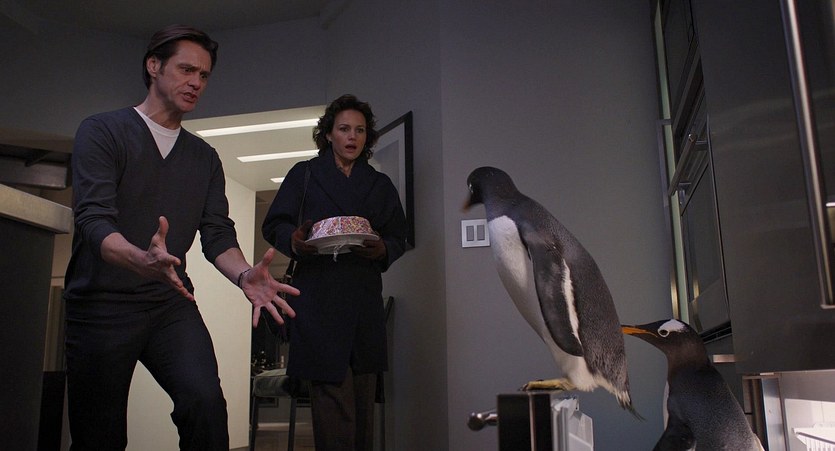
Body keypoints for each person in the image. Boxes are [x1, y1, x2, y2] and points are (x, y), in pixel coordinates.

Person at [63, 25, 299, 451]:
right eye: (187, 70)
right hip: (100, 304)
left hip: (168, 303)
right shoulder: (103, 131)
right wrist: (139, 259)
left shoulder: (204, 157)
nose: (196, 83)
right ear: (154, 66)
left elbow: (217, 233)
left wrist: (244, 274)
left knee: (205, 404)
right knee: (99, 434)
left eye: (204, 75)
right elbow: (94, 221)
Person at [262, 94, 407, 450]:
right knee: (332, 408)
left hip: (363, 300)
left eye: (359, 130)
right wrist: (295, 240)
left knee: (362, 408)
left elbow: (397, 236)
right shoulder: (305, 175)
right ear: (328, 134)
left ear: (367, 137)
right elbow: (275, 224)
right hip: (319, 301)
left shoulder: (379, 184)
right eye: (344, 129)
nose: (352, 137)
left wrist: (384, 249)